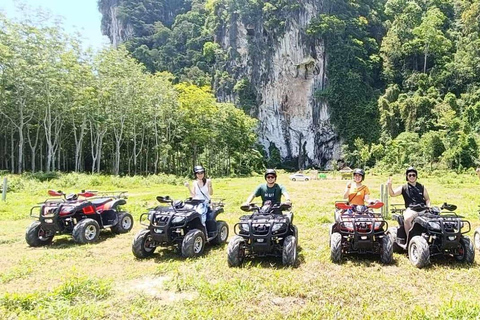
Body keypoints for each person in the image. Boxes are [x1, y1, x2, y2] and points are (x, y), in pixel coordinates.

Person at [386, 166, 431, 234]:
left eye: (413, 175)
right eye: (410, 175)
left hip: (423, 209)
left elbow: (427, 199)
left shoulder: (421, 187)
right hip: (411, 209)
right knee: (407, 219)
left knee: (435, 220)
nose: (412, 177)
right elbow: (393, 194)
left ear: (416, 176)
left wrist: (428, 207)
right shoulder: (404, 187)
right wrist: (389, 186)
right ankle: (409, 238)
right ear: (407, 176)